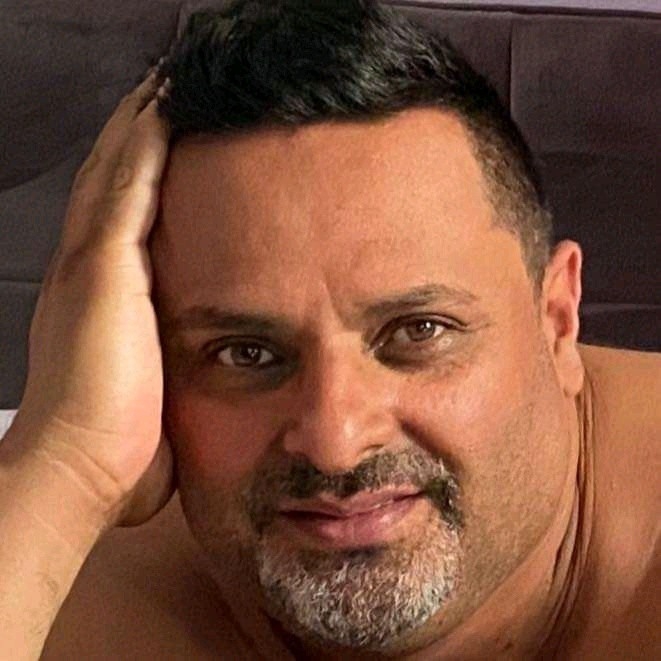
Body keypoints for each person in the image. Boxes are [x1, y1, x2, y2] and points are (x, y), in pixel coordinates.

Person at [0, 1, 658, 659]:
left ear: (556, 320)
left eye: (418, 331)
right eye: (247, 353)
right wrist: (68, 462)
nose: (335, 443)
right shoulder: (69, 560)